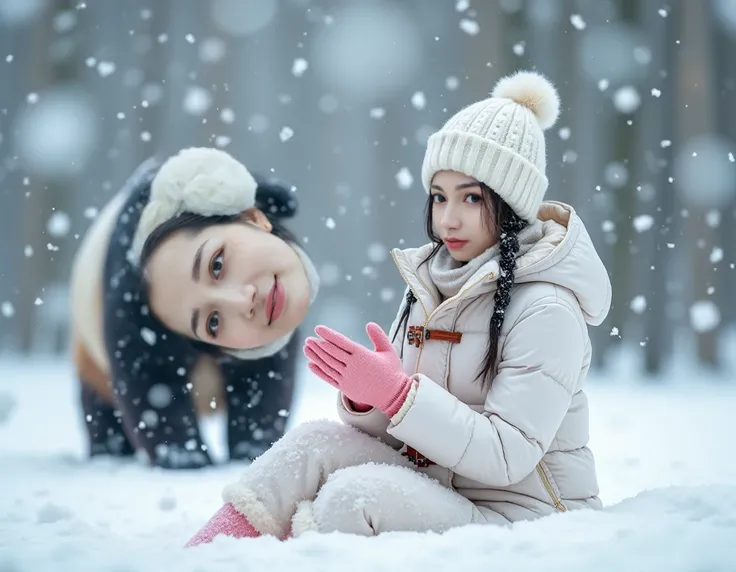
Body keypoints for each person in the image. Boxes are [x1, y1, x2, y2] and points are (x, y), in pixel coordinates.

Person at [184, 69, 612, 544]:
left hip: (527, 520)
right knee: (310, 445)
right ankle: (201, 558)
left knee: (355, 496)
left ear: (512, 203)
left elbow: (507, 455)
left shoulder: (547, 309)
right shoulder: (429, 286)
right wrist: (369, 400)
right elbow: (402, 435)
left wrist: (399, 396)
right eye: (439, 196)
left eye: (472, 197)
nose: (448, 217)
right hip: (447, 491)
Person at [68, 147, 320, 469]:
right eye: (212, 323)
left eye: (217, 264)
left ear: (255, 215)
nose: (244, 300)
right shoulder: (128, 319)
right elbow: (144, 383)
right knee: (116, 430)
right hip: (115, 328)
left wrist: (258, 451)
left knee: (260, 397)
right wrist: (175, 450)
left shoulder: (265, 292)